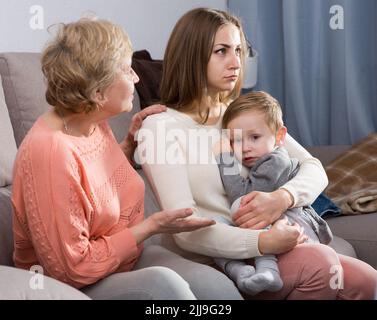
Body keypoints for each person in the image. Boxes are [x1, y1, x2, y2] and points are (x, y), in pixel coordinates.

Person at [138, 7, 377, 299]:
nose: (236, 62)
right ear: (191, 56)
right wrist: (263, 242)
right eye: (222, 51)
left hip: (270, 243)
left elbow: (313, 168)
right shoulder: (160, 127)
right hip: (218, 255)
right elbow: (185, 229)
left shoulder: (239, 115)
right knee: (322, 266)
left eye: (239, 50)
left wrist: (281, 198)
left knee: (369, 281)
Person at [10, 18, 242, 301]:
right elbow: (72, 269)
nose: (136, 77)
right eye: (126, 69)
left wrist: (128, 146)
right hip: (74, 282)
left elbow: (87, 188)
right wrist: (151, 226)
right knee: (165, 286)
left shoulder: (91, 120)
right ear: (97, 92)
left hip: (125, 260)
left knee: (220, 290)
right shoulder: (49, 153)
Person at [212, 91, 334, 296]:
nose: (245, 148)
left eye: (255, 137)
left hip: (294, 228)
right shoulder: (264, 156)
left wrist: (225, 157)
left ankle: (268, 270)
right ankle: (239, 270)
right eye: (236, 141)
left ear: (279, 136)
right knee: (215, 228)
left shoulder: (275, 161)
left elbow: (242, 196)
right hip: (284, 227)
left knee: (244, 207)